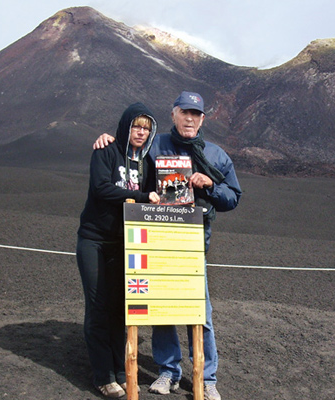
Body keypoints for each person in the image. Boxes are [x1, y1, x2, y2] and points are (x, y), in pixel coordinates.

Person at [93, 92, 242, 400]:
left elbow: (232, 197)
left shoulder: (215, 155)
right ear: (174, 114)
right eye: (184, 112)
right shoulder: (155, 146)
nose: (190, 118)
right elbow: (128, 158)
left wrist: (210, 186)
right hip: (158, 238)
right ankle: (168, 370)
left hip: (194, 242)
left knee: (199, 310)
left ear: (203, 119)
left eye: (196, 114)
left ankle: (207, 376)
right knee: (161, 307)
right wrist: (109, 139)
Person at [77, 102, 160, 398]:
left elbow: (155, 198)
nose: (141, 132)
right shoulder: (106, 151)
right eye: (136, 126)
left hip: (124, 243)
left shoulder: (147, 163)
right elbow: (101, 188)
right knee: (98, 306)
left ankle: (121, 370)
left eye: (146, 128)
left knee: (119, 309)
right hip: (94, 240)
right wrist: (138, 195)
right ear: (126, 126)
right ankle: (103, 374)